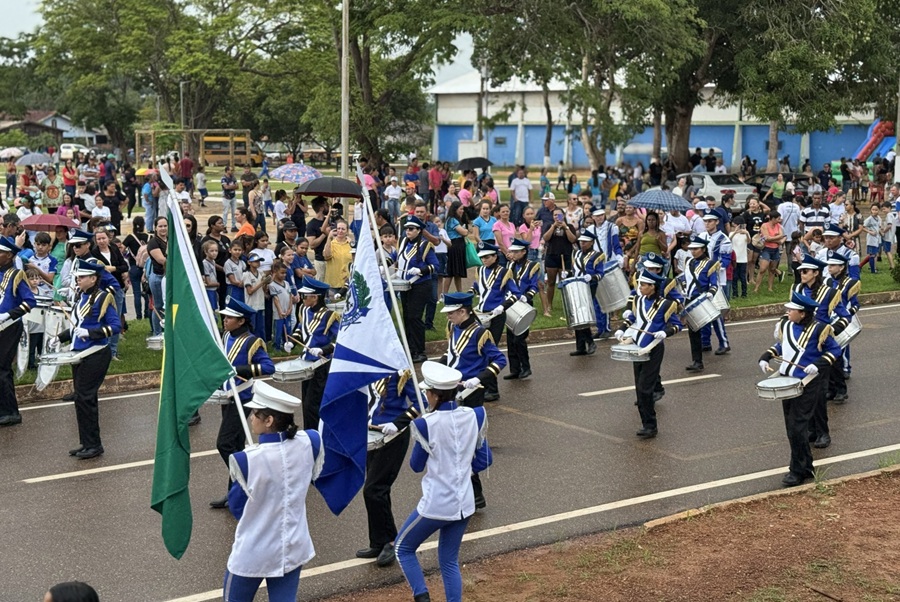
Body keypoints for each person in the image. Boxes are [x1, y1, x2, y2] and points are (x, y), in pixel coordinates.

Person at [395, 361, 492, 602]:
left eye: (427, 392)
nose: (426, 395)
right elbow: (485, 458)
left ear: (434, 395)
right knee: (449, 561)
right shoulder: (475, 415)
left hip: (437, 504)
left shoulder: (424, 424)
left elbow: (416, 466)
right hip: (465, 502)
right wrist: (462, 469)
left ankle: (422, 597)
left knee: (402, 548)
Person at [224, 381, 323, 602]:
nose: (251, 417)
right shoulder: (311, 441)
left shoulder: (246, 460)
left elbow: (237, 506)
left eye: (255, 413)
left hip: (253, 551)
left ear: (268, 421)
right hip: (293, 546)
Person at [758, 292, 841, 487]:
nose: (787, 312)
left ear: (802, 313)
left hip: (808, 382)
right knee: (791, 427)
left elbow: (835, 350)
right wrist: (766, 356)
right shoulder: (786, 325)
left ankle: (796, 470)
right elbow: (782, 345)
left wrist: (819, 363)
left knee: (798, 427)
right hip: (787, 381)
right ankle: (806, 466)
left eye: (791, 310)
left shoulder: (820, 328)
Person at [437, 292, 506, 508]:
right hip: (453, 388)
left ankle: (476, 495)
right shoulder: (453, 328)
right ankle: (466, 492)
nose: (448, 316)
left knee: (466, 443)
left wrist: (478, 378)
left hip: (471, 392)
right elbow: (452, 355)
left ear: (462, 311)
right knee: (454, 442)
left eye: (451, 313)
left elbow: (499, 360)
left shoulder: (480, 334)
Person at [49, 259, 121, 457]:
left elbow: (115, 327)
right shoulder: (81, 296)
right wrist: (60, 338)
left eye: (81, 277)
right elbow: (76, 325)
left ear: (93, 278)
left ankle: (94, 445)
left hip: (96, 352)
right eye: (78, 277)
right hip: (79, 353)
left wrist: (91, 333)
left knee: (86, 397)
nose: (78, 280)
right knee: (80, 399)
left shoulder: (102, 297)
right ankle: (86, 442)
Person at [210, 298, 276, 510]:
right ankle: (236, 492)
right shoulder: (226, 335)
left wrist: (240, 371)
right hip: (227, 395)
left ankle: (246, 476)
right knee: (236, 444)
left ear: (241, 321)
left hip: (243, 396)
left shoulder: (251, 342)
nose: (225, 320)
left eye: (229, 318)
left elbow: (268, 367)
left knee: (225, 443)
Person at [356, 369, 421, 567]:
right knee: (377, 489)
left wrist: (398, 422)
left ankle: (391, 541)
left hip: (393, 435)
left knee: (374, 489)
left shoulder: (400, 372)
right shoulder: (366, 367)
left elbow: (420, 402)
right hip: (372, 434)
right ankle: (378, 541)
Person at [615, 270, 683, 438]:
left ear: (653, 287)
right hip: (638, 347)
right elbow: (632, 318)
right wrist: (622, 329)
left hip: (654, 348)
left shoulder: (666, 304)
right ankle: (645, 422)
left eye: (644, 285)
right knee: (639, 387)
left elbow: (677, 325)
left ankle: (651, 425)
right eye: (640, 284)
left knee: (646, 388)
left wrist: (666, 333)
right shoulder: (638, 300)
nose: (640, 287)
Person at [284, 276, 339, 430]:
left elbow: (340, 340)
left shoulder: (329, 316)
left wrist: (324, 349)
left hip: (321, 363)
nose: (302, 299)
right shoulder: (305, 310)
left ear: (315, 297)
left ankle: (316, 433)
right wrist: (292, 342)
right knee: (306, 402)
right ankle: (310, 432)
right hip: (306, 362)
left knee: (312, 404)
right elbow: (301, 330)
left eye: (305, 296)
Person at [470, 242, 518, 400]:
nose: (484, 259)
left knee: (489, 352)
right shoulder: (480, 270)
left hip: (496, 316)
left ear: (495, 257)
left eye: (487, 257)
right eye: (482, 257)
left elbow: (515, 294)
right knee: (480, 351)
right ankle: (484, 387)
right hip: (481, 314)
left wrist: (502, 307)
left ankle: (493, 390)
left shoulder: (504, 272)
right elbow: (479, 287)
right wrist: (469, 293)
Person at [0, 236, 37, 427]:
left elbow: (30, 302)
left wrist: (8, 315)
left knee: (2, 369)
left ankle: (11, 412)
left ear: (9, 255)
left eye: (0, 253)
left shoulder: (16, 275)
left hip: (9, 326)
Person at [396, 216, 439, 363]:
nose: (408, 231)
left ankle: (420, 351)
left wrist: (421, 270)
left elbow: (435, 266)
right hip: (405, 285)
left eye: (411, 229)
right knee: (407, 317)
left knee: (415, 317)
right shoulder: (403, 243)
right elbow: (397, 259)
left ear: (419, 230)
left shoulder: (425, 246)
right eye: (407, 228)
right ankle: (409, 347)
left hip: (420, 285)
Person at [824, 251, 858, 404]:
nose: (829, 268)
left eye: (833, 265)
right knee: (826, 358)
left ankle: (841, 390)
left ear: (841, 267)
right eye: (829, 265)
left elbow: (856, 305)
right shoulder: (828, 282)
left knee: (836, 357)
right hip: (827, 322)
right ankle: (830, 389)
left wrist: (847, 315)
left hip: (842, 323)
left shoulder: (850, 283)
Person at [504, 238, 540, 379]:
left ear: (524, 252)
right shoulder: (510, 266)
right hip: (511, 304)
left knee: (519, 338)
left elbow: (534, 285)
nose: (513, 254)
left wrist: (527, 296)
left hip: (524, 304)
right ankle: (515, 369)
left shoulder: (532, 266)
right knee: (510, 338)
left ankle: (526, 367)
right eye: (512, 251)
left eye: (516, 252)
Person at [682, 234, 718, 372]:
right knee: (692, 332)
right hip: (689, 299)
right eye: (691, 249)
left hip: (701, 299)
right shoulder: (689, 262)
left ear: (703, 249)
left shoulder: (710, 264)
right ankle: (697, 360)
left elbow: (714, 284)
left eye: (696, 249)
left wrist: (710, 293)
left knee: (700, 329)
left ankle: (700, 358)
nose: (693, 251)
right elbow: (686, 279)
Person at [568, 231, 604, 356]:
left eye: (585, 242)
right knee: (577, 315)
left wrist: (592, 277)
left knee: (582, 314)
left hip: (589, 286)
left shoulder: (597, 255)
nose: (582, 244)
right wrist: (567, 274)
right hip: (576, 286)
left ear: (592, 242)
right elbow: (574, 271)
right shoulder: (576, 253)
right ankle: (581, 346)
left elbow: (600, 274)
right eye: (581, 241)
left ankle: (590, 342)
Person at [702, 213, 732, 354]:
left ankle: (724, 343)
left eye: (710, 221)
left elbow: (726, 260)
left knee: (716, 313)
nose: (707, 223)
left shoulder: (724, 239)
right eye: (706, 221)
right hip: (702, 280)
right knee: (704, 312)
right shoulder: (702, 237)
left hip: (717, 281)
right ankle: (705, 342)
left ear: (717, 222)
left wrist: (713, 267)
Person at [442, 201, 469, 296]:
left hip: (458, 245)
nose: (462, 211)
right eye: (460, 209)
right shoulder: (452, 220)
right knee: (451, 271)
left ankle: (460, 292)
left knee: (457, 272)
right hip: (454, 246)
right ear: (455, 209)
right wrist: (466, 230)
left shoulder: (454, 219)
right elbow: (464, 232)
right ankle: (444, 293)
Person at [221, 166, 239, 232]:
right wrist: (233, 186)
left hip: (233, 196)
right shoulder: (224, 178)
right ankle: (224, 226)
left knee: (234, 212)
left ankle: (233, 226)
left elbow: (237, 186)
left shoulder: (233, 177)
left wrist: (231, 186)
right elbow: (226, 187)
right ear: (227, 171)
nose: (232, 172)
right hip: (226, 197)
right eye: (230, 170)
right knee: (225, 212)